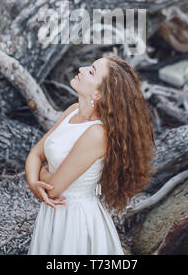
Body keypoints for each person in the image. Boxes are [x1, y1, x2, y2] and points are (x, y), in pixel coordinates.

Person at [25, 53, 156, 255]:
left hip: (75, 220)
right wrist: (35, 183)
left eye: (91, 71)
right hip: (53, 212)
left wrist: (40, 174)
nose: (82, 69)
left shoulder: (97, 134)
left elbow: (53, 190)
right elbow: (35, 153)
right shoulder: (72, 111)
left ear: (98, 95)